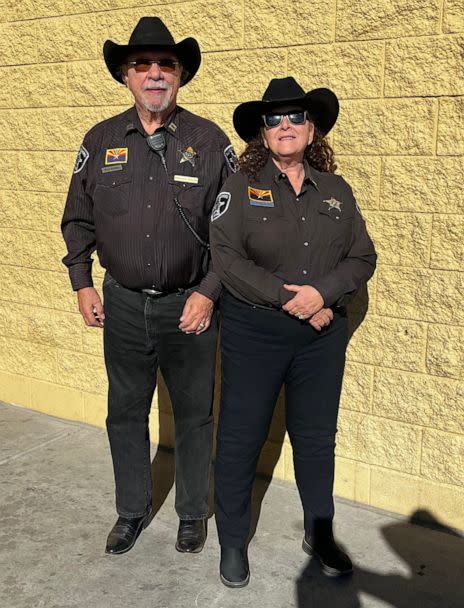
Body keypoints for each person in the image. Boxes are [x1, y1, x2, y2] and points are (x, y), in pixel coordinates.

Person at [61, 17, 237, 556]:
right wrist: (82, 283)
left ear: (180, 76)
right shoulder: (100, 140)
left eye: (166, 65)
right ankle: (131, 512)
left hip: (191, 305)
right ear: (125, 75)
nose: (155, 74)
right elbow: (77, 219)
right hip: (122, 304)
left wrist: (208, 292)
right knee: (125, 411)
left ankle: (190, 514)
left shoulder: (210, 142)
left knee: (193, 414)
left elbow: (233, 234)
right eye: (143, 65)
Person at [210, 77, 377, 587]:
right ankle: (233, 540)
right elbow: (226, 258)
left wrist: (321, 295)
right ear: (262, 132)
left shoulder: (337, 191)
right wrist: (294, 300)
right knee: (241, 438)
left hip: (320, 340)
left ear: (312, 129)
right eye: (275, 118)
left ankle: (319, 532)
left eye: (296, 117)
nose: (286, 126)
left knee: (315, 439)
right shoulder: (239, 186)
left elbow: (361, 257)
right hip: (254, 334)